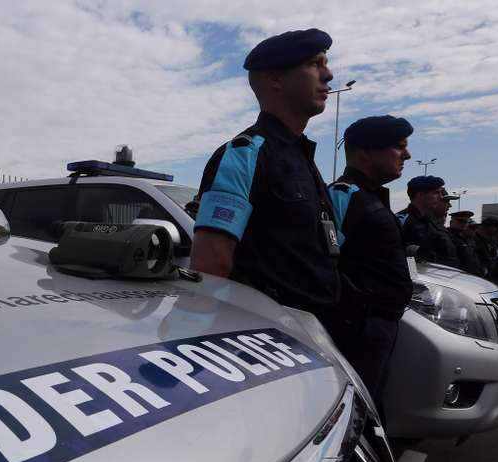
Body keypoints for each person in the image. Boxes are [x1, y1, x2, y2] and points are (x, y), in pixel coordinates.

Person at [190, 28, 340, 317]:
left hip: (317, 332)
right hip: (271, 338)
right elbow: (210, 266)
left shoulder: (302, 158)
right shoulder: (245, 154)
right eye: (315, 64)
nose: (329, 74)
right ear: (275, 79)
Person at [324, 115, 414, 400]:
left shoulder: (372, 198)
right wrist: (354, 312)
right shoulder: (343, 195)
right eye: (399, 146)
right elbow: (323, 262)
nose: (407, 154)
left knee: (373, 402)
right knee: (353, 405)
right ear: (364, 151)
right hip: (358, 330)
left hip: (380, 326)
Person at [396, 176, 459, 266]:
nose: (441, 197)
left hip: (444, 276)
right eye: (436, 193)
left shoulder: (432, 222)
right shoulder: (402, 220)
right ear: (420, 194)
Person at [474, 217, 498, 286]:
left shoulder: (490, 241)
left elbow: (497, 257)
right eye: (495, 228)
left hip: (490, 275)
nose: (496, 230)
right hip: (479, 276)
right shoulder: (475, 240)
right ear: (488, 227)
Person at [448, 211, 483, 276]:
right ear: (451, 222)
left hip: (471, 276)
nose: (464, 224)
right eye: (460, 221)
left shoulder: (466, 239)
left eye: (466, 222)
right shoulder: (447, 236)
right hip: (455, 276)